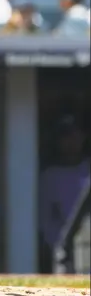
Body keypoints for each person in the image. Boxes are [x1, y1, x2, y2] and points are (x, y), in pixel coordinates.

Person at [40, 115, 90, 271]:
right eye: (65, 136)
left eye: (75, 135)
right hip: (64, 249)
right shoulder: (50, 176)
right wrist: (59, 243)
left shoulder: (88, 169)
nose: (71, 141)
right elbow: (44, 218)